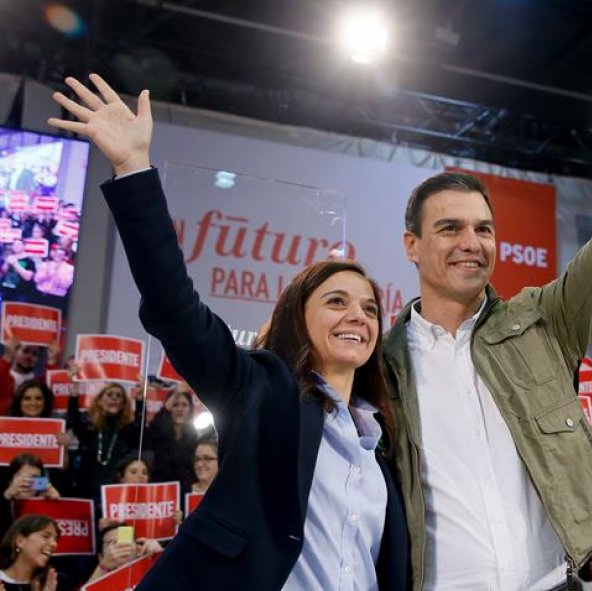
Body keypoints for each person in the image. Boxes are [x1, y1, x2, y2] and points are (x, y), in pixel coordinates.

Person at [381, 1, 592, 588]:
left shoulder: (542, 322)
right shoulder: (379, 363)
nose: (472, 242)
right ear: (411, 244)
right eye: (450, 229)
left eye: (484, 228)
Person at [48, 75, 409, 590]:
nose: (359, 316)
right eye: (336, 301)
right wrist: (132, 168)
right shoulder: (259, 390)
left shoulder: (382, 441)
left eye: (370, 308)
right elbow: (175, 306)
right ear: (296, 318)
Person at [86, 521, 163, 583]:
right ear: (101, 557)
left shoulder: (150, 572)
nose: (119, 546)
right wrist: (103, 568)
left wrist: (160, 557)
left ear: (138, 549)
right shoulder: (97, 578)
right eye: (111, 542)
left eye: (125, 540)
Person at [0, 515, 59, 591]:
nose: (54, 544)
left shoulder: (56, 582)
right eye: (45, 536)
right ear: (20, 541)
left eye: (55, 539)